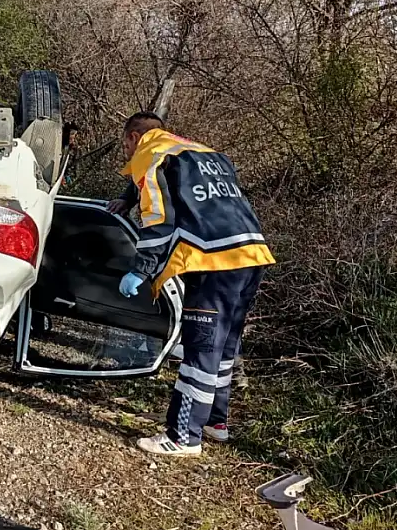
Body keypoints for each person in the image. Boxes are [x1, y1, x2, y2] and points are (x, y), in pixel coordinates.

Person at [111, 113, 275, 457]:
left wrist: (141, 269)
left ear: (136, 135)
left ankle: (183, 435)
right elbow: (174, 185)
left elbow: (158, 220)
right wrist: (128, 197)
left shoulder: (149, 154)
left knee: (200, 349)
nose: (126, 152)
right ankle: (216, 422)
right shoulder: (200, 152)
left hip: (214, 259)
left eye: (126, 143)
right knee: (224, 346)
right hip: (252, 252)